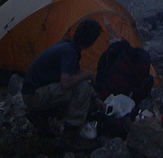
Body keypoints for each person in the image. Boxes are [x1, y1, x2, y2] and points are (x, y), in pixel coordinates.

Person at [22, 19, 105, 149]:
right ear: (91, 41)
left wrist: (96, 98)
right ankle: (70, 130)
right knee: (79, 89)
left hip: (36, 91)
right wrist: (88, 74)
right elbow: (66, 84)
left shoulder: (70, 46)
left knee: (80, 86)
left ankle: (44, 116)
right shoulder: (69, 52)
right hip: (33, 96)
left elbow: (78, 75)